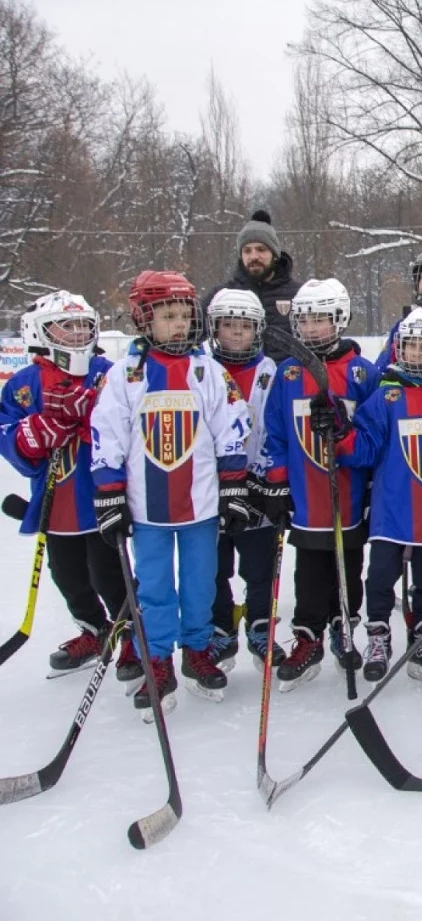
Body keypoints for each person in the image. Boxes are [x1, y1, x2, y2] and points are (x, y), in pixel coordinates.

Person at [90, 271, 252, 717]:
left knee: (201, 582)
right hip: (148, 509)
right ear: (144, 319)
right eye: (167, 317)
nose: (178, 325)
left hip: (199, 504)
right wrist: (110, 495)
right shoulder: (127, 373)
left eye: (184, 315)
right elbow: (107, 435)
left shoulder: (208, 370)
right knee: (155, 586)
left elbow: (231, 430)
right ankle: (156, 658)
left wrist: (233, 488)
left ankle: (197, 649)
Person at [252, 278, 379, 691]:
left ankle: (344, 626)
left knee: (348, 568)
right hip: (307, 497)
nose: (310, 329)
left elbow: (375, 435)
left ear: (339, 320)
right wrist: (276, 484)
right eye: (304, 320)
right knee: (308, 573)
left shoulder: (361, 372)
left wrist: (350, 441)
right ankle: (308, 637)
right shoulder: (289, 372)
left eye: (320, 320)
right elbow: (276, 435)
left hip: (348, 493)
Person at [0, 292, 133, 677]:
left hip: (101, 499)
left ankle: (131, 637)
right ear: (39, 332)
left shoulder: (106, 371)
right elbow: (9, 438)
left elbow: (127, 426)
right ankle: (94, 628)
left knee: (110, 573)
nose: (77, 334)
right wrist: (38, 431)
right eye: (66, 325)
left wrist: (88, 414)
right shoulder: (24, 384)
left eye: (83, 326)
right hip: (55, 504)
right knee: (67, 574)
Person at [336, 308, 422, 687]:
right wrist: (339, 433)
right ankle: (378, 636)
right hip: (391, 508)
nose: (417, 354)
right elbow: (363, 450)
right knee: (380, 576)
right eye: (411, 346)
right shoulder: (387, 394)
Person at [204, 288, 285, 670]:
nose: (236, 333)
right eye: (228, 326)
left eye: (245, 327)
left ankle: (258, 624)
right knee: (215, 566)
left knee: (259, 564)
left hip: (256, 488)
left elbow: (277, 429)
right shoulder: (201, 369)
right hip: (211, 489)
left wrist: (264, 478)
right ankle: (221, 627)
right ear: (214, 328)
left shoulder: (271, 372)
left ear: (258, 329)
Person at [201, 210, 303, 360]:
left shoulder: (299, 294)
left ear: (274, 254)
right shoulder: (222, 295)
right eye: (247, 251)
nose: (254, 256)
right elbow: (191, 331)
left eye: (261, 249)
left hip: (288, 380)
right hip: (237, 380)